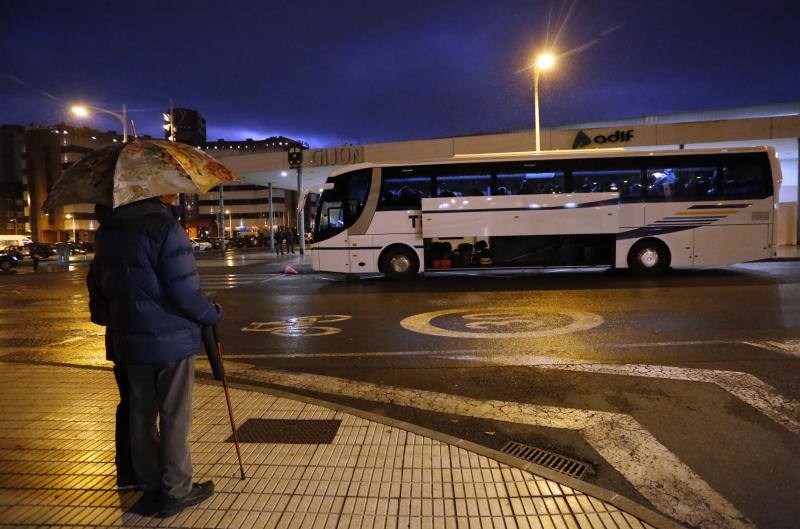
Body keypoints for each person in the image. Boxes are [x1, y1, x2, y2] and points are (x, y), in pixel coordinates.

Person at [93, 194, 221, 518]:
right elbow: (184, 291)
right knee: (175, 414)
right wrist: (210, 313)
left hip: (130, 339)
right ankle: (177, 489)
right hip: (172, 338)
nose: (175, 196)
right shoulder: (165, 227)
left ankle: (150, 485)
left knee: (141, 413)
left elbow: (100, 287)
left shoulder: (107, 231)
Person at [87, 204, 136, 491]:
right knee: (142, 406)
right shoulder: (125, 248)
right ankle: (139, 469)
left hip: (118, 338)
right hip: (138, 338)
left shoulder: (102, 251)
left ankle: (127, 471)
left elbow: (98, 307)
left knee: (129, 403)